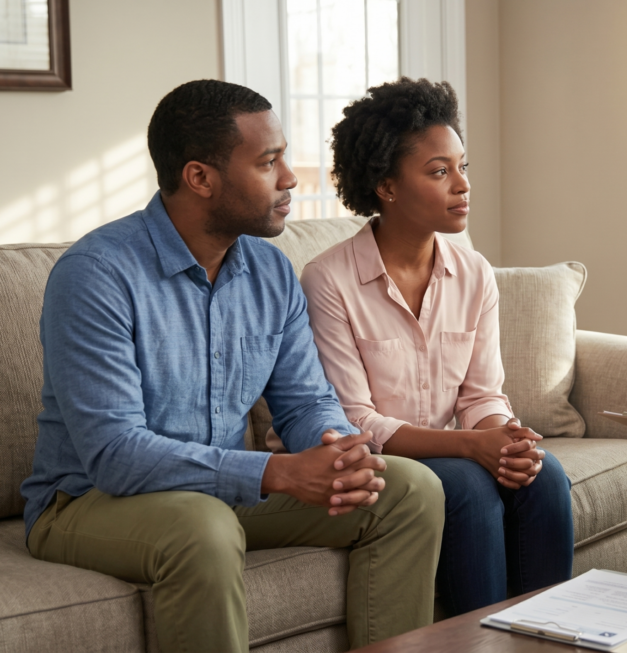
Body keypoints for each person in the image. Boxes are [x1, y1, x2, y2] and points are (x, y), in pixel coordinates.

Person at [19, 80, 444, 652]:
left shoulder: (269, 272)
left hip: (216, 494)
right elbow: (116, 455)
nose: (290, 177)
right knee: (203, 527)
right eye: (269, 162)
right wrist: (280, 473)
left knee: (409, 489)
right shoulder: (96, 276)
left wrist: (342, 451)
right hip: (89, 501)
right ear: (200, 178)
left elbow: (305, 403)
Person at [291, 77, 574, 616]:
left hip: (452, 450)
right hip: (383, 464)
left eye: (462, 167)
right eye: (439, 172)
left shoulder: (474, 272)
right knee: (467, 484)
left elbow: (481, 397)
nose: (462, 185)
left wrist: (506, 440)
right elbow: (355, 421)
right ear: (387, 187)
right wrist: (472, 448)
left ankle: (550, 638)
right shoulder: (328, 281)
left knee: (545, 474)